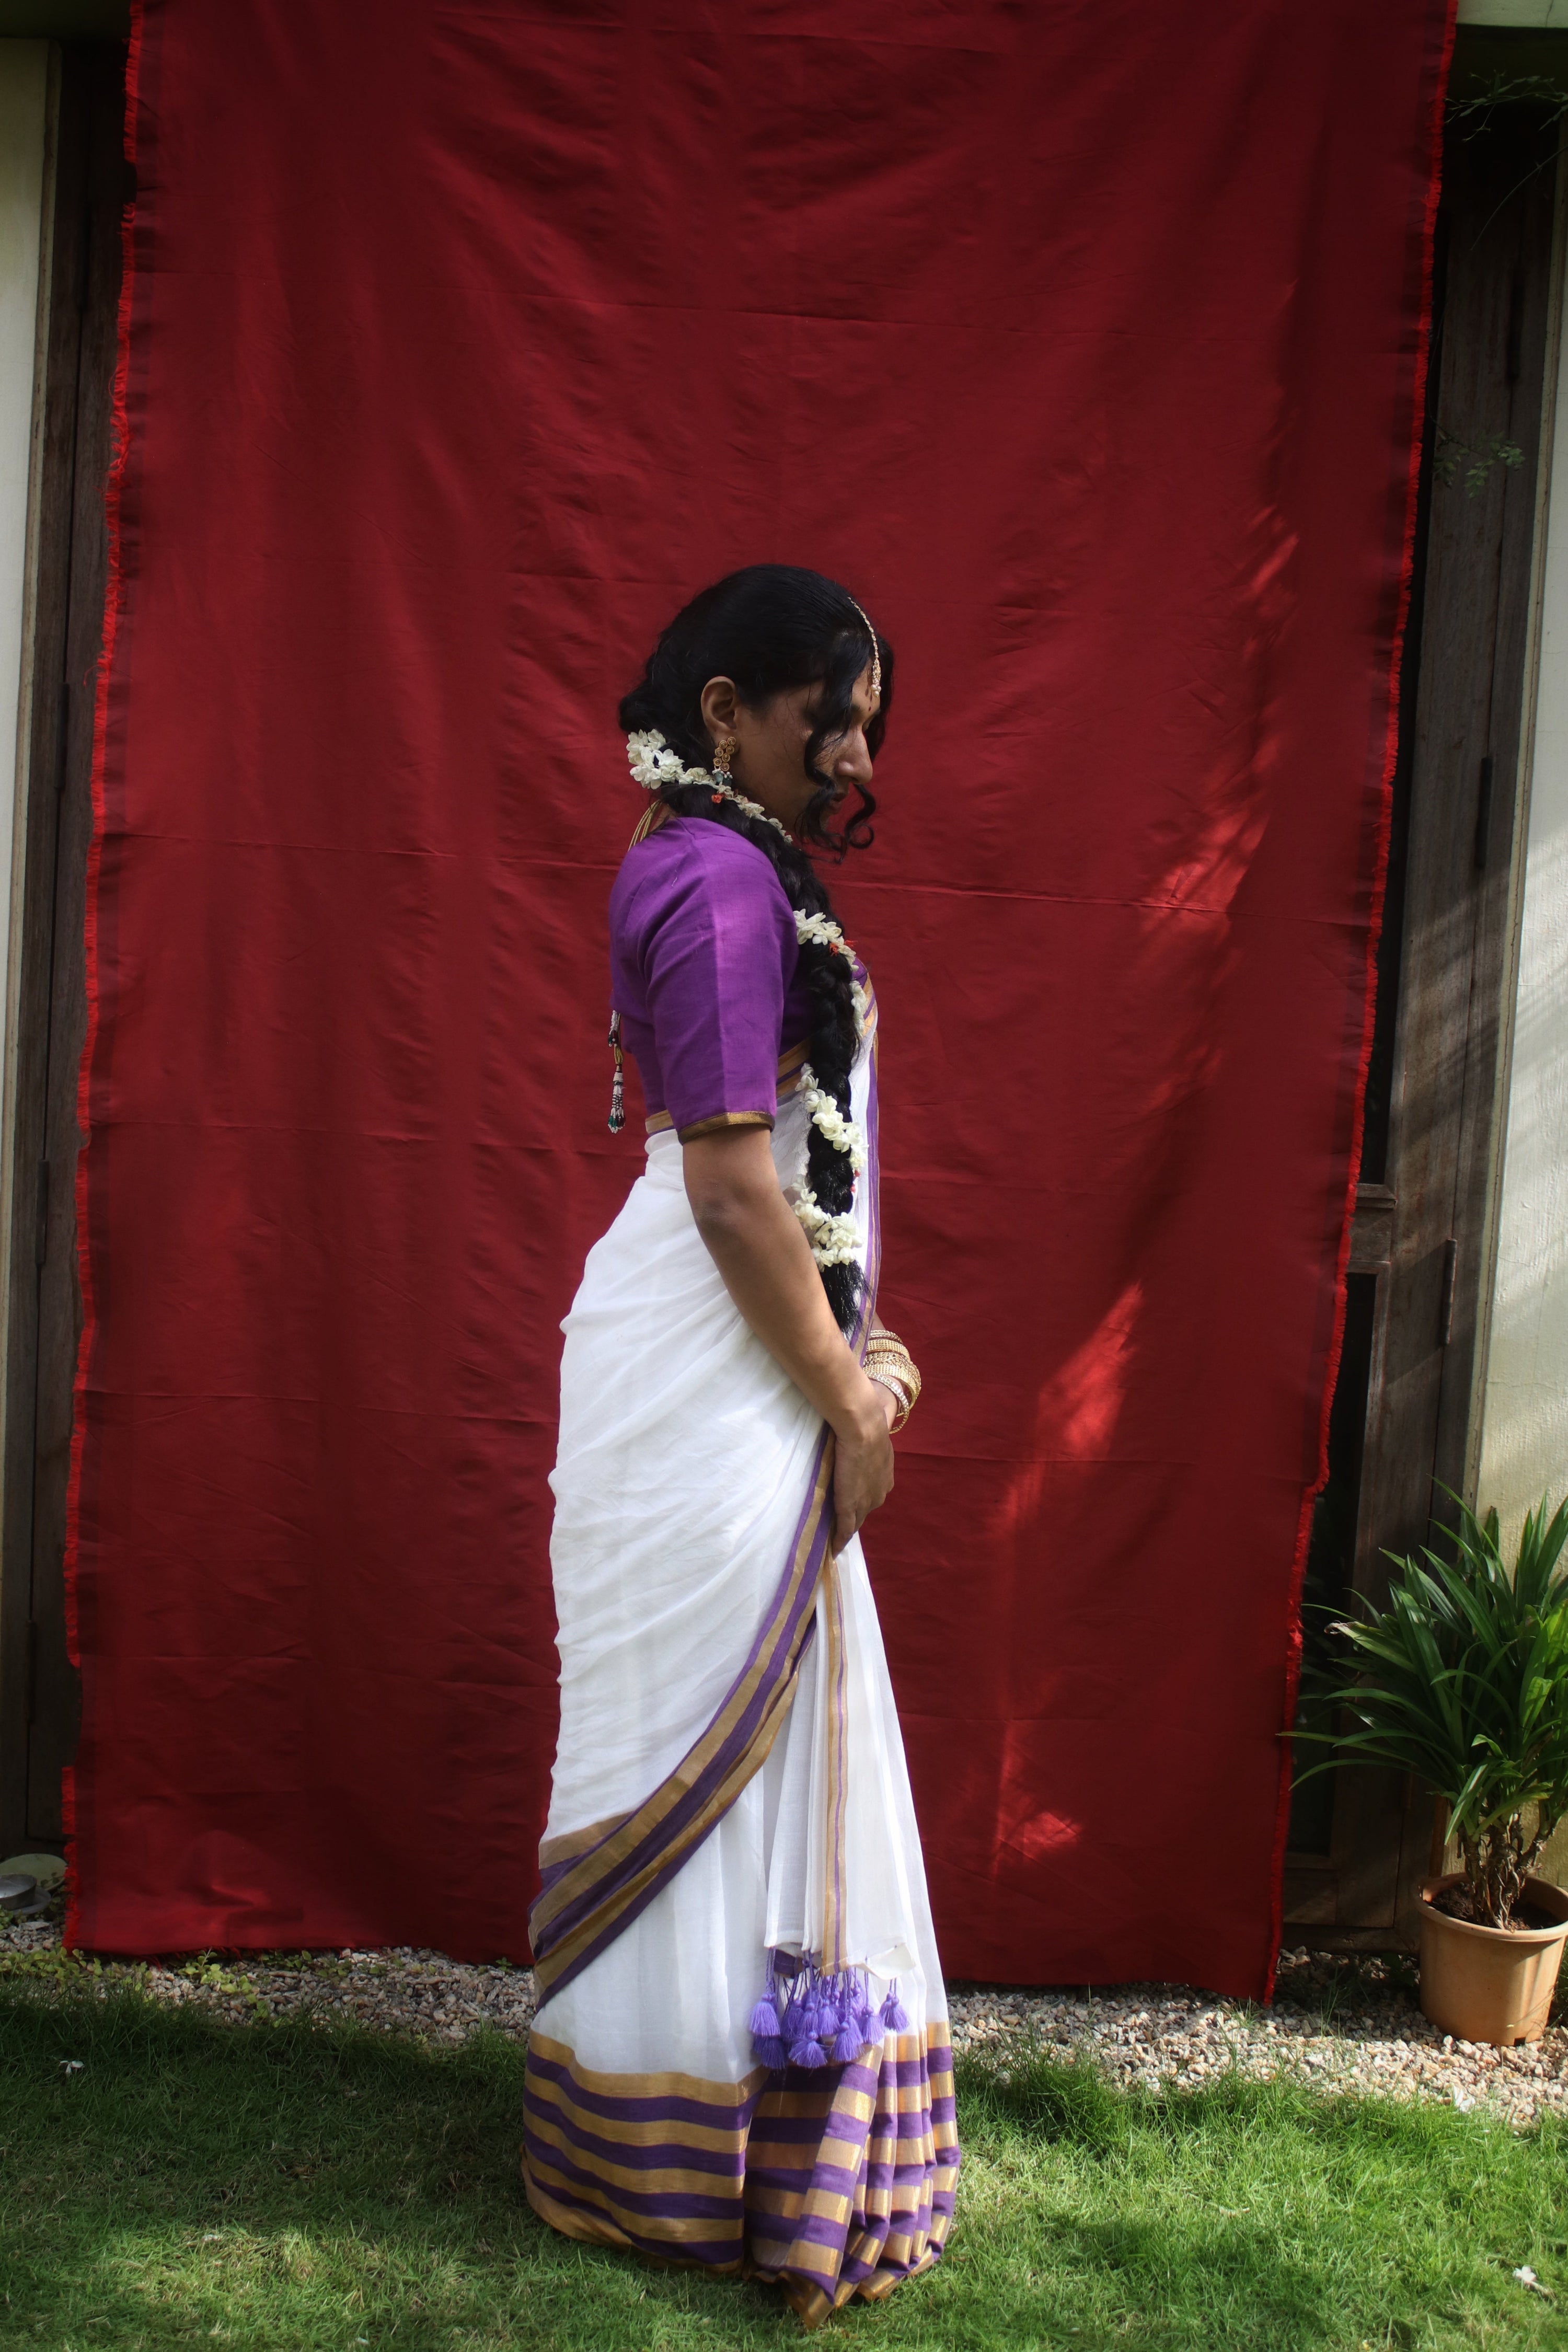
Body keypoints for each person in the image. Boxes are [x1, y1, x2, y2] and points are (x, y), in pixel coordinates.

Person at [522, 565, 959, 2327]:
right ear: (724, 713)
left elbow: (777, 1173)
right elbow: (725, 1183)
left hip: (739, 1339)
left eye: (866, 714)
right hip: (711, 1357)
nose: (850, 746)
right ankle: (703, 2152)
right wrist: (848, 1390)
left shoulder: (734, 859)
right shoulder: (714, 875)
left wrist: (854, 1338)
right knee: (720, 1733)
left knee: (780, 1736)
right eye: (821, 712)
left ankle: (736, 2124)